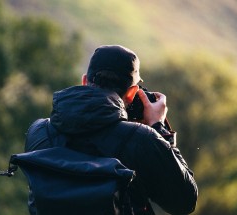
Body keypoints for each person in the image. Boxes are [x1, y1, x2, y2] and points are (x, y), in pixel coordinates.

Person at [25, 45, 198, 215]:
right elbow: (184, 202)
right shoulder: (141, 140)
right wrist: (158, 128)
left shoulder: (39, 132)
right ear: (132, 93)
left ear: (85, 81)